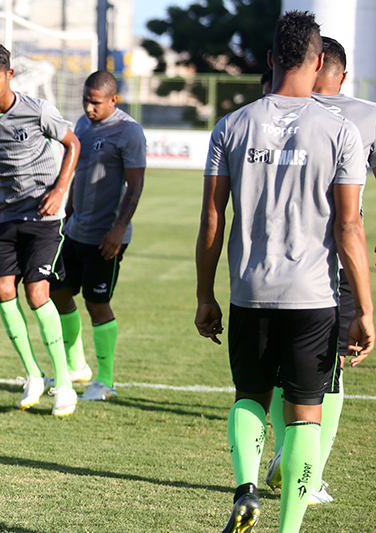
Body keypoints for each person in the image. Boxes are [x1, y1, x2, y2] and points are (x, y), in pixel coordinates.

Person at [195, 11, 373, 533]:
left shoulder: (232, 125)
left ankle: (246, 488)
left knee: (249, 396)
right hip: (313, 297)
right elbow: (349, 226)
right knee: (305, 417)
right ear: (319, 63)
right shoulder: (340, 130)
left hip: (250, 292)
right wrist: (365, 309)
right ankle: (289, 528)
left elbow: (212, 219)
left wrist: (205, 295)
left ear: (271, 59)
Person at [265, 35, 376, 505]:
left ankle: (286, 452)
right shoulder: (367, 116)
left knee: (276, 366)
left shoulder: (270, 111)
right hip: (335, 261)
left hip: (270, 256)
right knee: (331, 370)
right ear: (341, 74)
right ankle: (304, 473)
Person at [0, 43, 81, 416]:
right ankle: (33, 374)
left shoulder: (38, 110)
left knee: (37, 292)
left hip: (43, 216)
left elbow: (72, 144)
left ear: (10, 74)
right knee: (2, 289)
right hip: (4, 216)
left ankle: (64, 384)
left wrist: (59, 191)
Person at [50, 70, 146, 400]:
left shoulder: (129, 131)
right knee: (58, 292)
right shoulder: (83, 124)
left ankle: (105, 381)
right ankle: (76, 366)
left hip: (106, 236)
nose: (89, 108)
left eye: (96, 103)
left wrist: (118, 229)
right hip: (75, 229)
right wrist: (69, 212)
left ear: (113, 100)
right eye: (85, 101)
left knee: (97, 303)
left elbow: (135, 185)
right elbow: (79, 172)